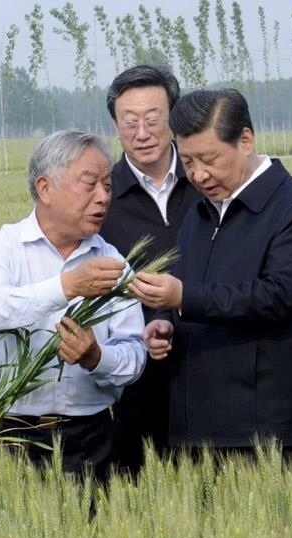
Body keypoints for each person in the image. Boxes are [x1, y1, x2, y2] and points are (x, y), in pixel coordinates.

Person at [130, 88, 292, 469]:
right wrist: (166, 321)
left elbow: (278, 296)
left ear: (245, 139)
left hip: (276, 433)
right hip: (198, 430)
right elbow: (192, 288)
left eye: (209, 159)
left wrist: (183, 298)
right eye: (188, 162)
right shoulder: (199, 215)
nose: (198, 174)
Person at [0, 130, 146, 481]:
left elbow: (135, 355)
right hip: (3, 433)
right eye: (89, 184)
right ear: (45, 188)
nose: (102, 197)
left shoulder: (113, 264)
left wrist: (96, 357)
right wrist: (67, 286)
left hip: (89, 439)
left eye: (107, 185)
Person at [101, 64, 200, 476]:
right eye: (130, 122)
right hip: (135, 391)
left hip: (213, 376)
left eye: (153, 119)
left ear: (173, 118)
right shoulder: (101, 197)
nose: (142, 133)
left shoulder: (209, 182)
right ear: (116, 126)